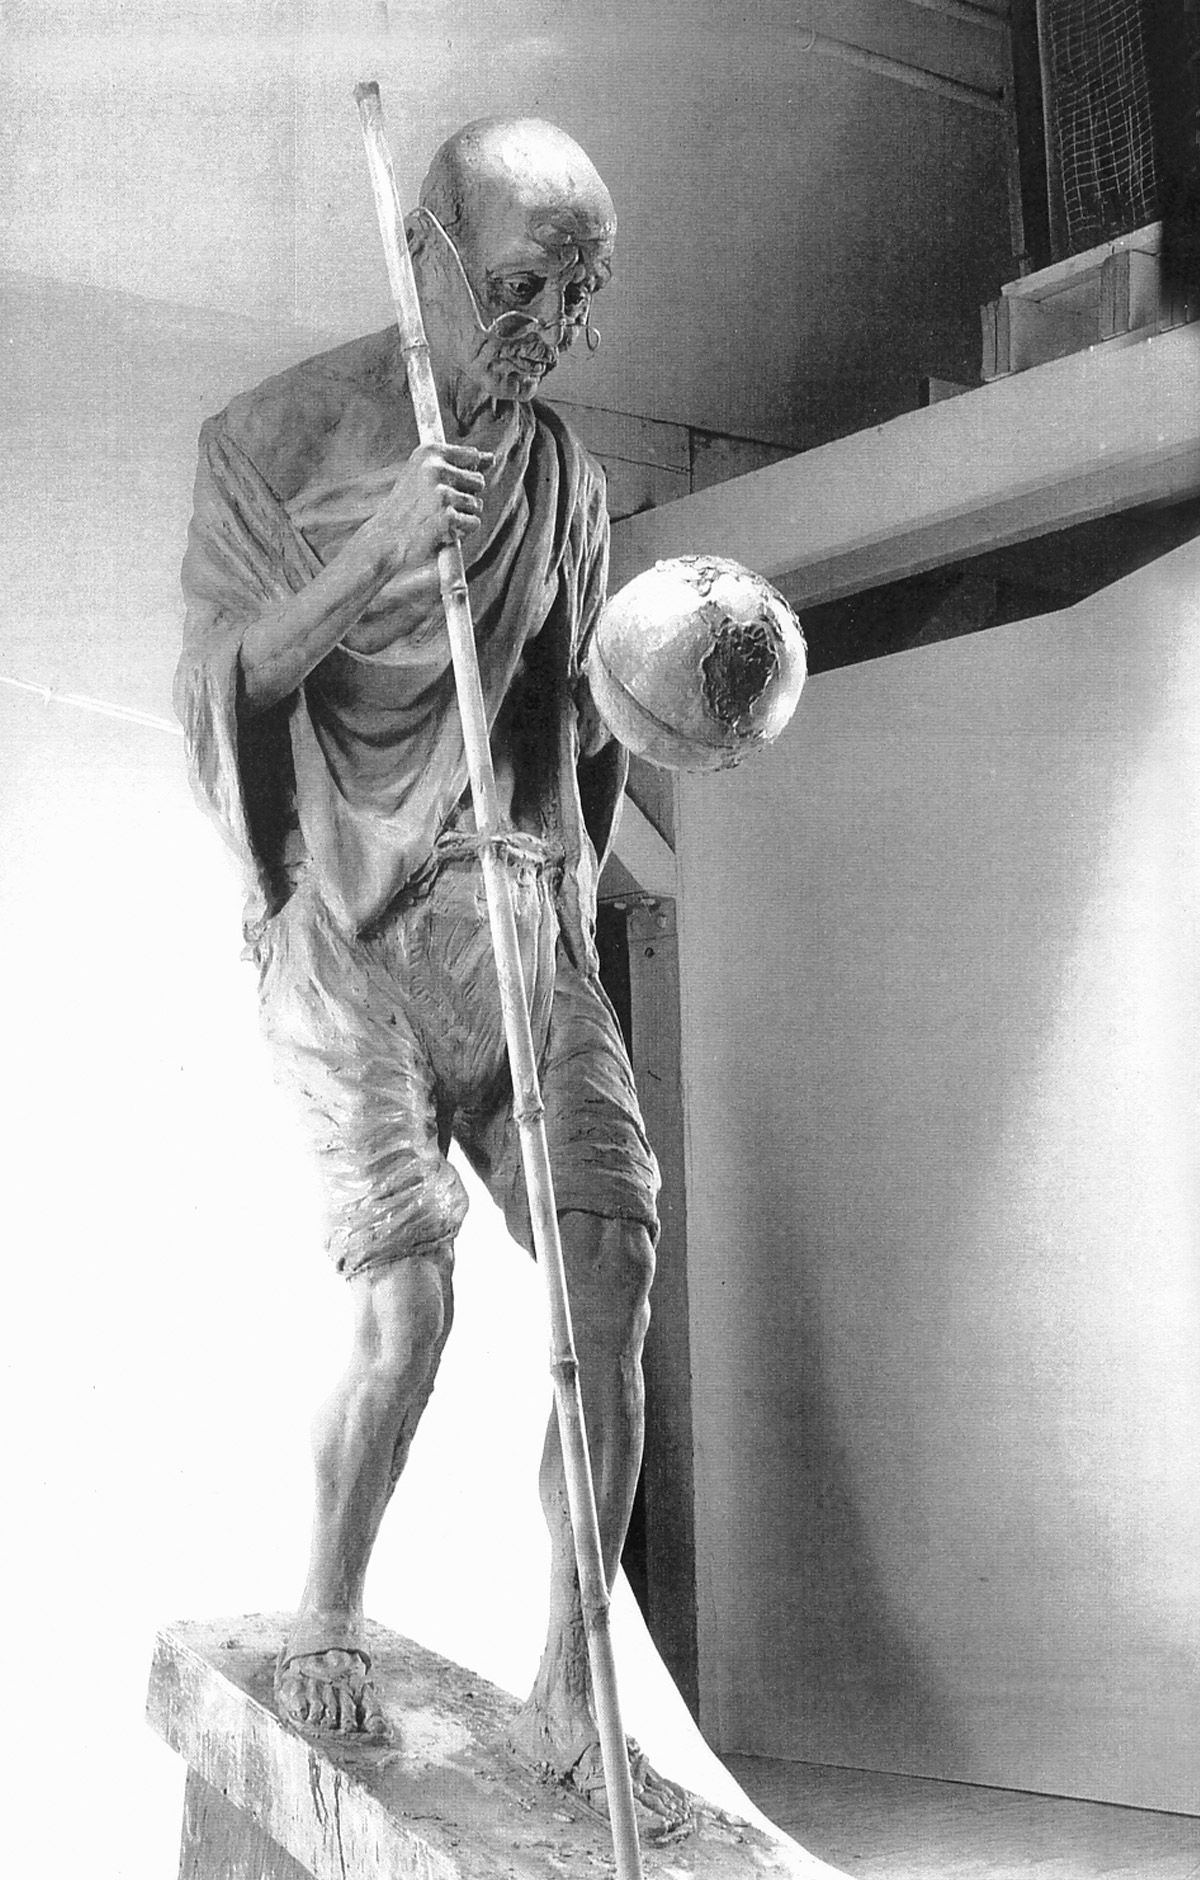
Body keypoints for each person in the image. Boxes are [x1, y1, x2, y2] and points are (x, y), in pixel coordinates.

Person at [176, 115, 685, 1830]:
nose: (557, 329)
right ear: (431, 257)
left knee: (613, 1259)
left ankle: (571, 1678)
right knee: (411, 1306)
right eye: (529, 287)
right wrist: (379, 549)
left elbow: (575, 727)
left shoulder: (565, 481)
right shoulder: (268, 443)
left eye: (584, 296)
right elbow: (218, 694)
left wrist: (661, 700)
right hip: (347, 925)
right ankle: (330, 1607)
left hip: (512, 915)